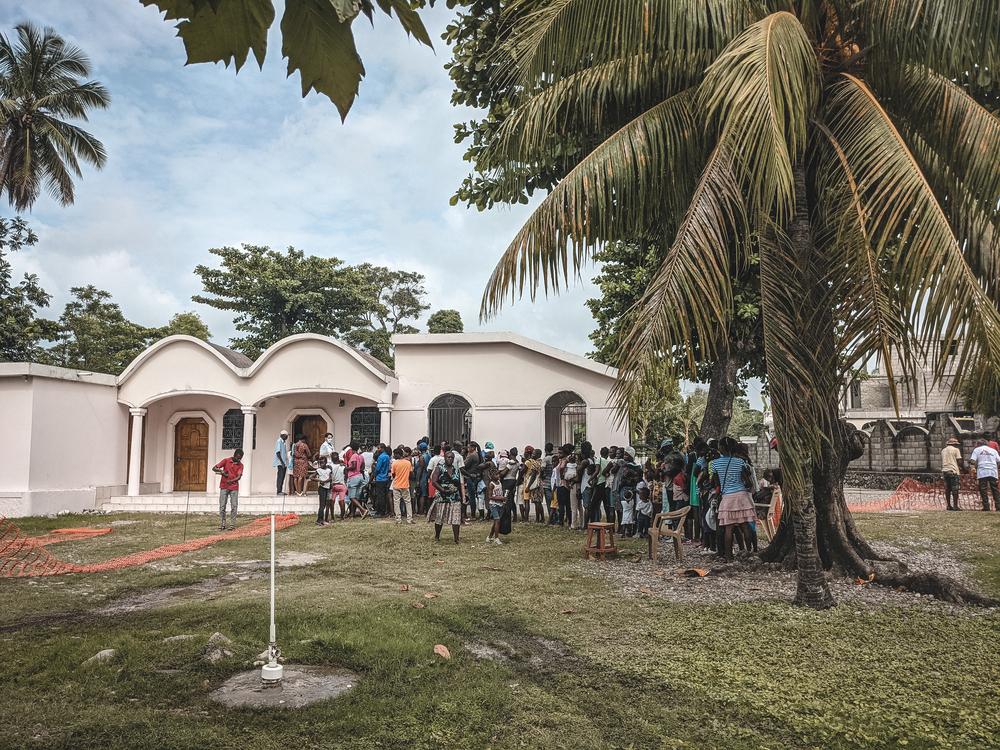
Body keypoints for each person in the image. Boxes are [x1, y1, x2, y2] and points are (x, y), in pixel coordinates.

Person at [712, 436, 758, 560]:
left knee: (728, 528)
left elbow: (717, 484)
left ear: (721, 448)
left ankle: (728, 556)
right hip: (742, 497)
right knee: (745, 526)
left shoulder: (715, 464)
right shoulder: (739, 462)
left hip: (727, 498)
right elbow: (748, 483)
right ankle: (748, 553)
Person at [429, 450, 465, 544]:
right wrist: (443, 490)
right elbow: (434, 481)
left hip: (454, 496)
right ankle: (437, 536)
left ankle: (456, 538)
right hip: (442, 496)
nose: (450, 459)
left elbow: (459, 484)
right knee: (439, 517)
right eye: (448, 457)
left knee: (456, 518)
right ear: (444, 458)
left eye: (452, 457)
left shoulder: (456, 470)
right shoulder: (439, 468)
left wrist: (462, 497)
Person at [213, 449, 244, 531]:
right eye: (238, 458)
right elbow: (214, 468)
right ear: (234, 455)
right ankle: (223, 523)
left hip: (234, 487)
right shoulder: (226, 461)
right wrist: (222, 471)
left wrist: (232, 480)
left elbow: (239, 477)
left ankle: (232, 525)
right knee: (222, 506)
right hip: (224, 486)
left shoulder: (241, 465)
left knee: (234, 506)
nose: (239, 460)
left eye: (240, 458)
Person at [970, 438, 1000, 511]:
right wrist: (996, 468)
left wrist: (973, 469)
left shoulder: (977, 450)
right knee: (995, 490)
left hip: (982, 472)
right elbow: (998, 461)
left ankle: (986, 507)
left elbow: (972, 461)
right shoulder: (993, 450)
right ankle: (998, 506)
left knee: (983, 490)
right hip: (993, 471)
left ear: (979, 444)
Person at [391, 447, 414, 523]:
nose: (394, 456)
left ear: (398, 454)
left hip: (396, 485)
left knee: (396, 502)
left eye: (395, 454)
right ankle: (409, 519)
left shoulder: (394, 463)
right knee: (408, 502)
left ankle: (398, 519)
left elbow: (393, 475)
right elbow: (411, 474)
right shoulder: (408, 463)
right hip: (405, 484)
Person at [941, 437, 964, 511]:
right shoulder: (956, 450)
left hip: (945, 470)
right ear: (954, 444)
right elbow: (959, 461)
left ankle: (948, 506)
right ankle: (955, 506)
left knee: (947, 489)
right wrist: (963, 468)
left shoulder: (943, 450)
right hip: (953, 471)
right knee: (955, 489)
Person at [345, 442, 368, 518]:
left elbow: (353, 466)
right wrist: (359, 470)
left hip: (353, 477)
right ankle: (353, 513)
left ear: (351, 448)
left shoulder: (354, 456)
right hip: (360, 476)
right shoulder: (360, 456)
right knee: (355, 497)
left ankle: (363, 510)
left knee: (351, 497)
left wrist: (346, 468)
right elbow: (363, 467)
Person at [486, 463, 506, 545]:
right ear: (491, 476)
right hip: (493, 504)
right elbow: (490, 496)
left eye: (498, 474)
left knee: (496, 522)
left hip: (500, 504)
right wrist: (500, 498)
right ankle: (496, 538)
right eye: (496, 475)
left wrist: (503, 498)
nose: (498, 476)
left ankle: (489, 537)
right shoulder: (491, 484)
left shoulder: (499, 482)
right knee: (497, 520)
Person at [462, 443, 483, 523]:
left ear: (473, 448)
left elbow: (464, 465)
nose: (467, 448)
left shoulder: (471, 455)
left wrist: (463, 455)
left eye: (469, 447)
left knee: (471, 497)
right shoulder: (477, 454)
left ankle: (473, 515)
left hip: (470, 477)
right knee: (472, 496)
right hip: (474, 477)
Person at [522, 448, 544, 522]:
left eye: (534, 453)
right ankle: (542, 518)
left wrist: (528, 486)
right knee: (539, 502)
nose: (532, 454)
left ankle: (537, 519)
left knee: (536, 502)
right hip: (540, 483)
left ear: (538, 455)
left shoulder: (534, 463)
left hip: (535, 484)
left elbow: (533, 475)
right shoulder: (541, 462)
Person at [311, 455, 333, 526]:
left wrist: (325, 481)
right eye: (320, 463)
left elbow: (330, 478)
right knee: (322, 505)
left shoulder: (329, 470)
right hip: (322, 489)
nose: (321, 464)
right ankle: (319, 520)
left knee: (325, 504)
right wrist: (319, 480)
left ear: (326, 462)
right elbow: (311, 477)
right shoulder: (318, 470)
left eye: (323, 463)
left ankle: (322, 519)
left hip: (327, 488)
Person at [373, 445, 392, 517]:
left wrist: (374, 475)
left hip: (380, 478)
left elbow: (377, 469)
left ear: (383, 448)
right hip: (385, 478)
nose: (377, 449)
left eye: (379, 448)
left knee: (380, 496)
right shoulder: (387, 456)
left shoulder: (381, 457)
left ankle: (380, 512)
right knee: (384, 495)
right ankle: (384, 510)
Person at [329, 451, 348, 519]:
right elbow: (346, 476)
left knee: (332, 500)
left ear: (331, 459)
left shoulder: (330, 466)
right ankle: (342, 516)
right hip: (342, 485)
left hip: (333, 485)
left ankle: (332, 517)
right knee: (341, 500)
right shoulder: (343, 467)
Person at [273, 430, 289, 495]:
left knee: (282, 476)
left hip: (284, 463)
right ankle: (278, 491)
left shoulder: (283, 442)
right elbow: (278, 452)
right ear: (283, 435)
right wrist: (282, 462)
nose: (287, 437)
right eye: (286, 436)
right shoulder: (279, 441)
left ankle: (280, 490)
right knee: (280, 476)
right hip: (280, 463)